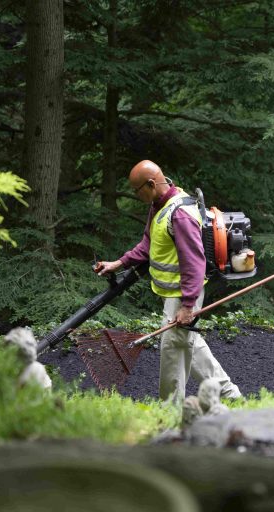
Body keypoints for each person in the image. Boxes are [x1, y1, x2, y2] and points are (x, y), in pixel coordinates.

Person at [94, 160, 241, 403]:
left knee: (172, 349)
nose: (135, 195)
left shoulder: (180, 214)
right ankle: (230, 395)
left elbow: (195, 263)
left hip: (183, 295)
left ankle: (170, 411)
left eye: (136, 189)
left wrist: (187, 305)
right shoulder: (159, 205)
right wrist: (119, 263)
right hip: (174, 294)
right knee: (191, 348)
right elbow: (148, 244)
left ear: (151, 184)